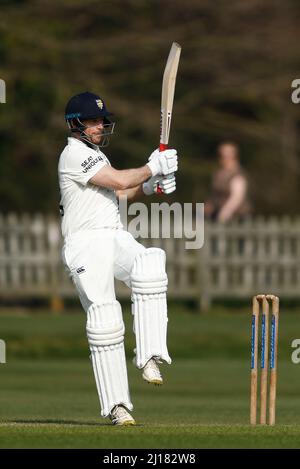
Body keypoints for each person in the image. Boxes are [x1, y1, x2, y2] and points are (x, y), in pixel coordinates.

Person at [58, 91, 178, 426]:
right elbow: (119, 180)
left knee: (149, 262)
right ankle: (117, 407)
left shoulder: (95, 155)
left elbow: (121, 192)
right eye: (93, 121)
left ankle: (150, 354)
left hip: (112, 234)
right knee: (106, 319)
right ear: (75, 123)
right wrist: (152, 165)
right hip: (84, 245)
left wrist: (152, 185)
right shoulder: (73, 155)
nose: (100, 126)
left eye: (101, 120)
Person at [204, 141, 251, 222]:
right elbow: (215, 194)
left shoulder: (237, 173)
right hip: (217, 213)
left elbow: (237, 197)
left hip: (236, 217)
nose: (224, 157)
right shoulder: (219, 173)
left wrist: (225, 212)